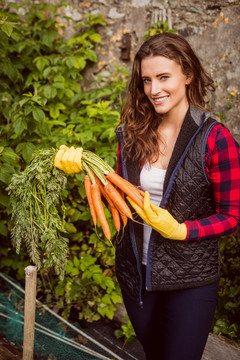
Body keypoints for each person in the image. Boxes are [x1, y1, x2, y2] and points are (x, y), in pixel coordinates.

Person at [114, 33, 240, 360]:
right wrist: (88, 171)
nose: (154, 89)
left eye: (164, 77)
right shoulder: (132, 133)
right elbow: (118, 196)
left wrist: (182, 230)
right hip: (137, 274)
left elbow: (233, 216)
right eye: (146, 80)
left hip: (190, 280)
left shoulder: (215, 138)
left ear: (188, 74)